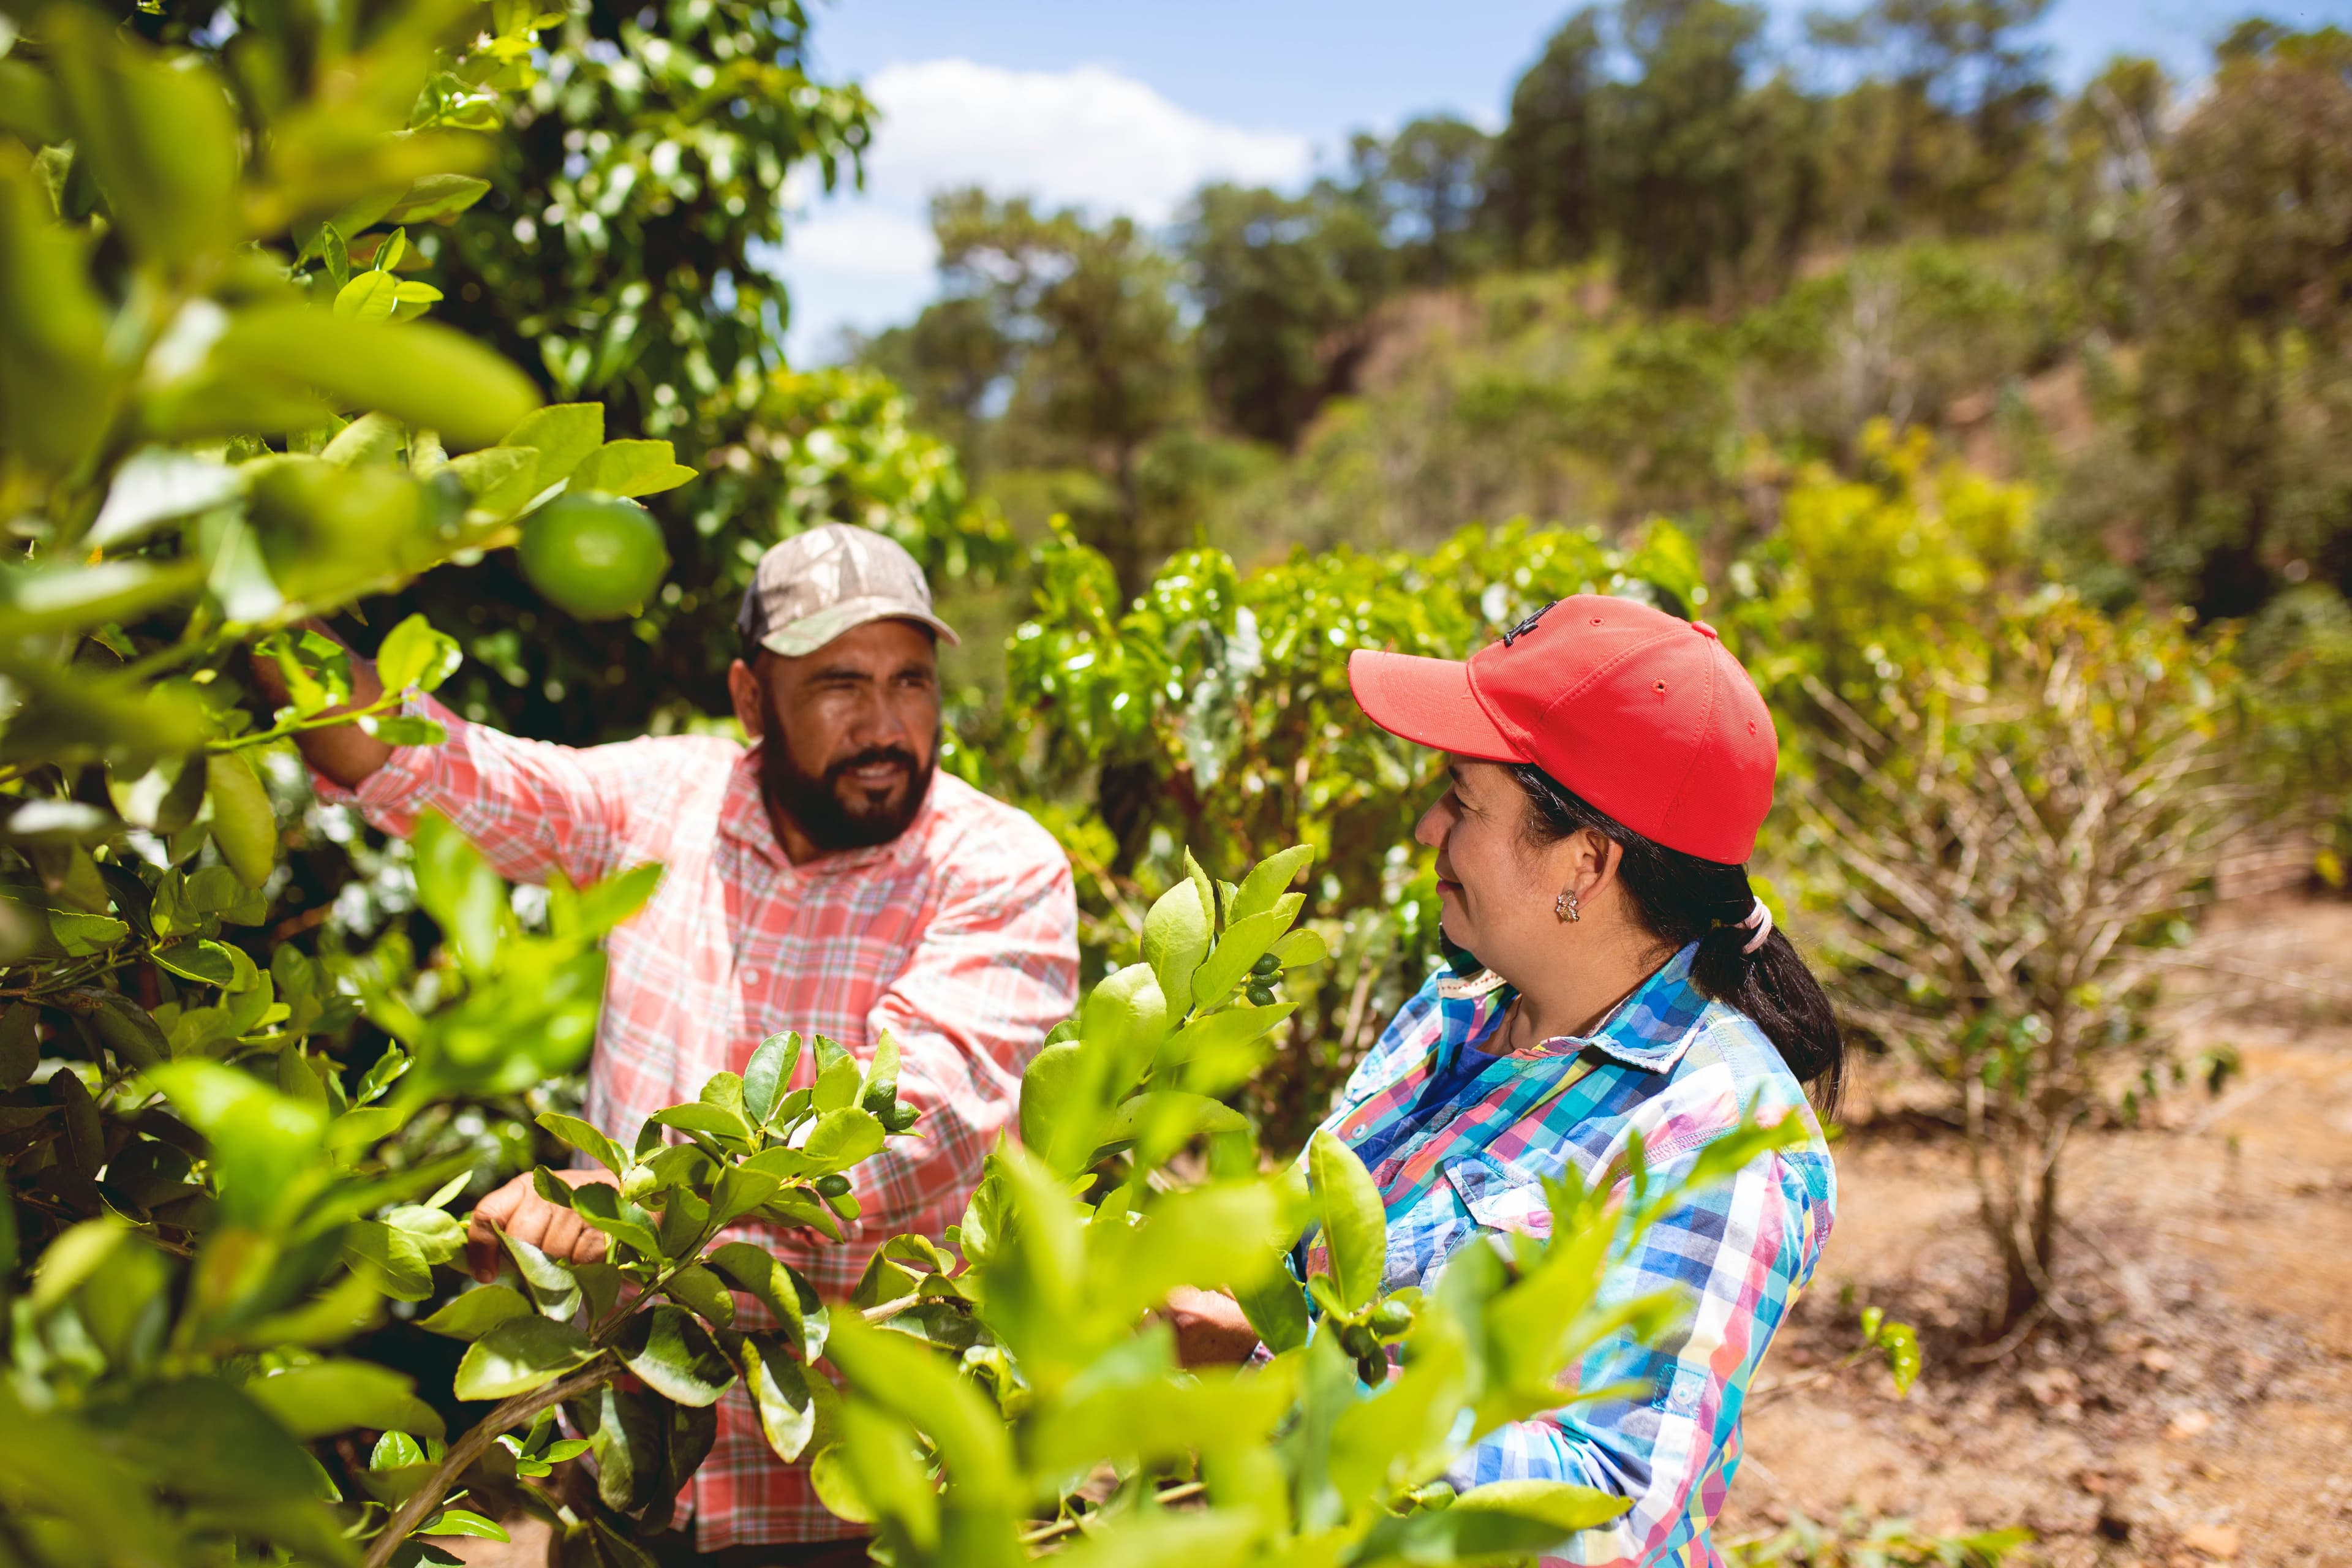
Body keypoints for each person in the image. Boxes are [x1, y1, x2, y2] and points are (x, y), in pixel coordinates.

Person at [279, 524, 1079, 1564]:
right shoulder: (664, 801)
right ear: (753, 700)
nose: (886, 724)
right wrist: (246, 609)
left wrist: (622, 1203)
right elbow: (424, 766)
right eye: (840, 684)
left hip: (851, 1499)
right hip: (622, 1470)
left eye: (911, 681)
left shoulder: (997, 867)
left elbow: (917, 1114)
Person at [1167, 594, 1841, 1567]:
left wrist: (1267, 1374)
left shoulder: (1717, 1134)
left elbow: (1605, 1521)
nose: (1425, 824)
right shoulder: (1456, 1015)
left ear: (1587, 860)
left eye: (1464, 799)